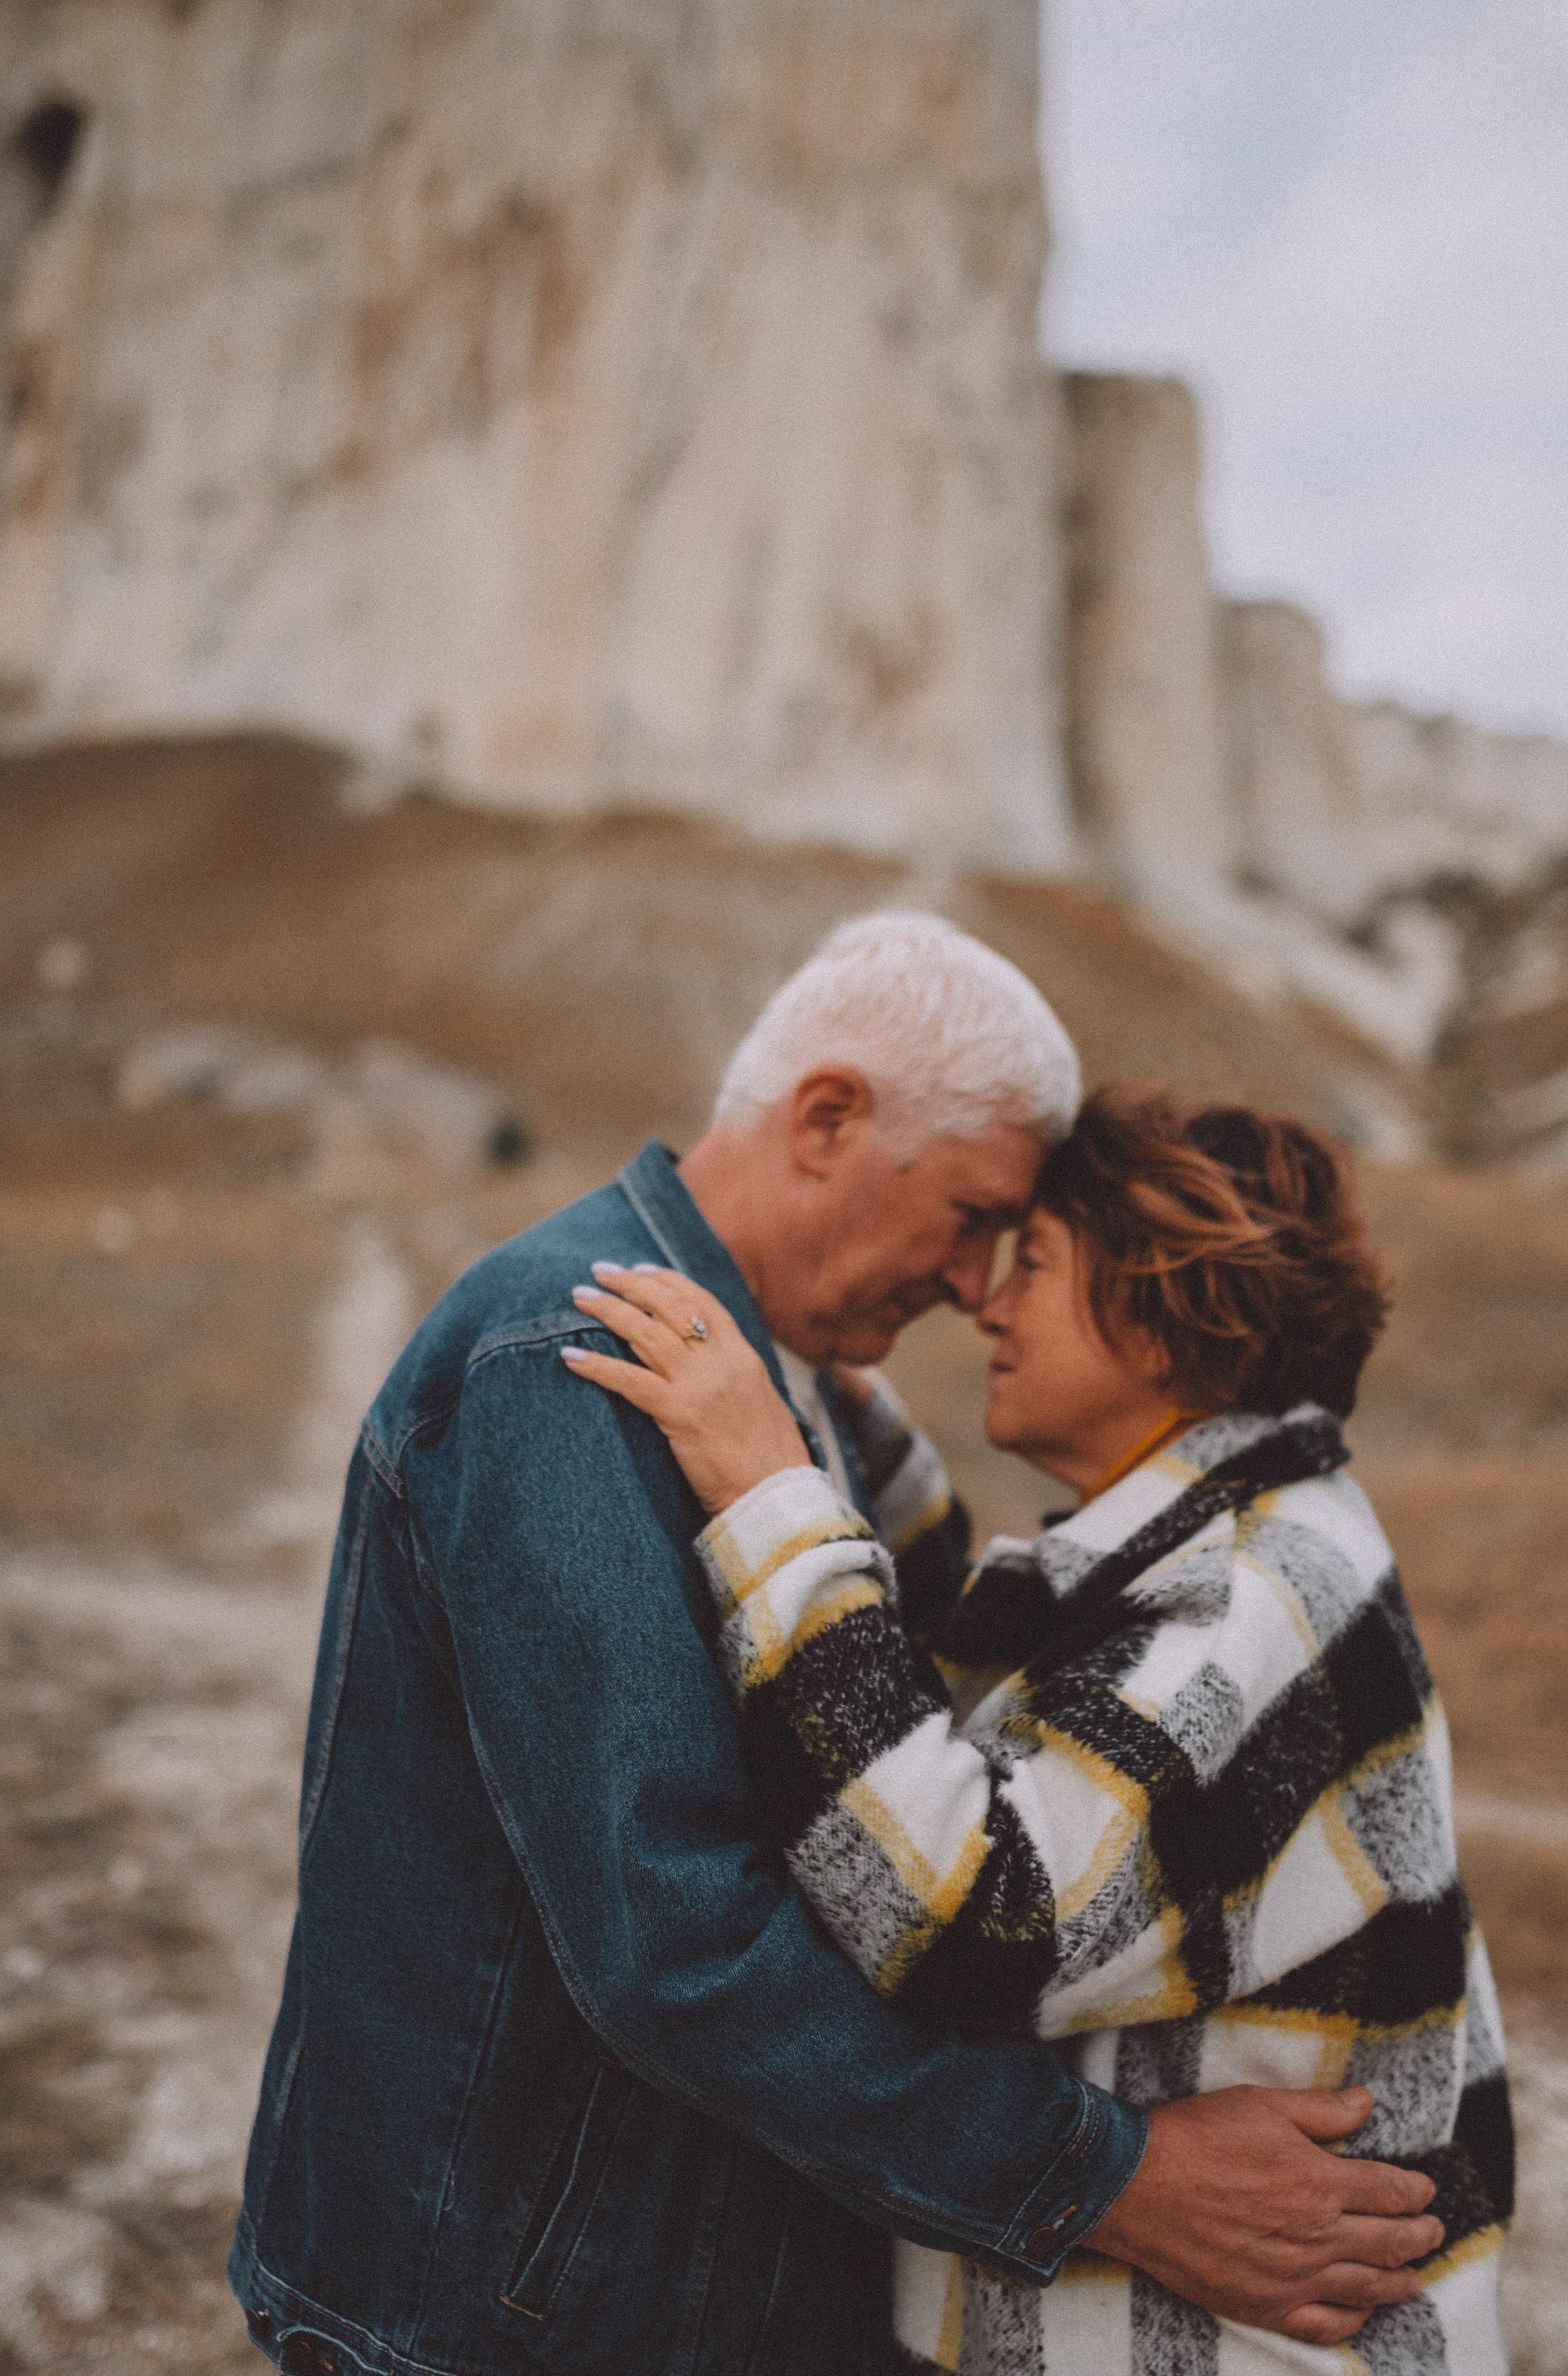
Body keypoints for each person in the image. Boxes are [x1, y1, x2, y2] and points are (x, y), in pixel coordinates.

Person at [231, 916, 1443, 2376]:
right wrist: (1103, 2176)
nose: (970, 1281)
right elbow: (674, 1939)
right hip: (502, 2309)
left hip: (660, 2287)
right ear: (825, 1120)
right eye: (973, 1211)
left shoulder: (764, 1381)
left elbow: (918, 1655)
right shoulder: (573, 1362)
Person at [566, 1085, 1512, 2373]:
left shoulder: (1251, 1594)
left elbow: (969, 1916)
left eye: (1038, 1264)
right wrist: (813, 1389)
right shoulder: (1238, 1533)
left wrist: (775, 1499)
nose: (989, 1302)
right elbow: (987, 1667)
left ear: (1170, 1305)